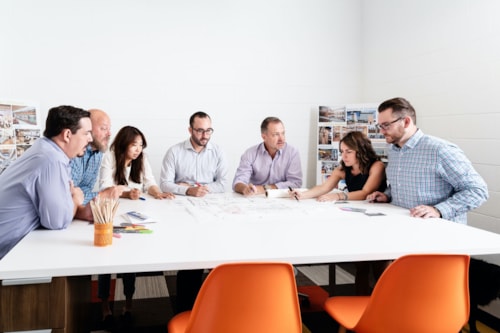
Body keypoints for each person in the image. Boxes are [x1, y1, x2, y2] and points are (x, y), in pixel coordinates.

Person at [290, 130, 389, 295]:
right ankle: (360, 300)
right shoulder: (343, 169)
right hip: (357, 219)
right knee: (361, 265)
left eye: (349, 152)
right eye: (342, 151)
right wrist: (303, 195)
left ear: (361, 151)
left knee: (380, 266)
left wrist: (338, 195)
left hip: (378, 221)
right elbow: (324, 187)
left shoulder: (376, 166)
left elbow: (365, 192)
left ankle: (384, 302)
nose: (344, 156)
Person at [97, 126, 175, 326]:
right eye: (134, 145)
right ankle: (105, 304)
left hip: (134, 214)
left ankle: (129, 302)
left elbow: (150, 182)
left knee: (129, 259)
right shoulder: (110, 157)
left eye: (141, 145)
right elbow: (105, 186)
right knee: (106, 261)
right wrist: (125, 193)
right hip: (111, 212)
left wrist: (158, 193)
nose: (138, 149)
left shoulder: (143, 159)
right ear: (124, 144)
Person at [367, 97, 488, 224]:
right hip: (405, 225)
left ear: (406, 122)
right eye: (379, 126)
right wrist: (387, 195)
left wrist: (438, 210)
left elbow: (477, 190)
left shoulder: (440, 150)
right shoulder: (393, 150)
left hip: (440, 232)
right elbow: (401, 185)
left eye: (386, 125)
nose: (381, 131)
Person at [0, 105, 90, 260]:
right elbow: (57, 221)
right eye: (86, 133)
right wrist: (76, 200)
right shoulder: (51, 160)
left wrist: (72, 203)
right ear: (67, 135)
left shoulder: (44, 149)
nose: (91, 139)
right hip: (7, 255)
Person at [159, 111, 228, 313]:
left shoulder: (218, 152)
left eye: (208, 130)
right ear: (190, 130)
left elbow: (223, 184)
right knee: (190, 258)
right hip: (183, 210)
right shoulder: (175, 152)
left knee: (216, 256)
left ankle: (216, 309)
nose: (205, 135)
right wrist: (188, 190)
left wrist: (200, 189)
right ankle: (186, 311)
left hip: (211, 210)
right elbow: (164, 184)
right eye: (200, 130)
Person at [71, 109, 123, 221]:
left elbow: (85, 190)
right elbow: (69, 196)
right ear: (88, 128)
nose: (109, 133)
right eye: (104, 128)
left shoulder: (98, 152)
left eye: (109, 129)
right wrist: (102, 195)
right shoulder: (74, 150)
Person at [233, 116, 302, 195]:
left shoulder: (292, 152)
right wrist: (245, 189)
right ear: (264, 137)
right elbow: (238, 182)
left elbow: (295, 183)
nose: (282, 139)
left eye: (283, 133)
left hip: (283, 198)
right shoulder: (250, 153)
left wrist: (265, 188)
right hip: (256, 198)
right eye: (276, 134)